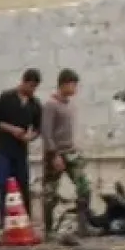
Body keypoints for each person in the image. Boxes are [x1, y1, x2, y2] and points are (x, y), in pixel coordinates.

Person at [0, 69, 42, 223]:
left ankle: (25, 220)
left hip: (21, 151)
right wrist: (11, 129)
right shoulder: (6, 97)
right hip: (3, 149)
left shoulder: (34, 104)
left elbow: (38, 128)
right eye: (30, 86)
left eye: (34, 87)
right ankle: (5, 221)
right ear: (23, 82)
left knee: (23, 185)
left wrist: (30, 137)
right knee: (3, 185)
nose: (32, 90)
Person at [40, 68, 90, 237]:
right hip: (55, 154)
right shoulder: (50, 105)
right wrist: (54, 155)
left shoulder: (70, 104)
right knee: (50, 193)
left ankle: (83, 226)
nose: (75, 89)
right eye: (73, 85)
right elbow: (46, 132)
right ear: (64, 84)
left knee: (84, 187)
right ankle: (48, 230)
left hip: (71, 153)